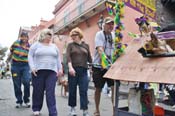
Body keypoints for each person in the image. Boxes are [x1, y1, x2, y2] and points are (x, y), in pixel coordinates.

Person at [28, 29, 63, 116]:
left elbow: (58, 58)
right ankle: (36, 108)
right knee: (38, 91)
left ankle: (53, 112)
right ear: (43, 34)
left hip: (52, 72)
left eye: (51, 34)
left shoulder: (54, 46)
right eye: (48, 34)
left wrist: (60, 69)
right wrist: (32, 67)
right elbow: (30, 56)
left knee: (50, 92)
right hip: (38, 71)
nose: (50, 36)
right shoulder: (36, 45)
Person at [66, 27, 92, 116]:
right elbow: (68, 57)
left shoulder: (86, 45)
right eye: (72, 35)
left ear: (79, 35)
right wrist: (70, 68)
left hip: (84, 70)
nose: (73, 37)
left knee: (83, 90)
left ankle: (85, 110)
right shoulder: (70, 45)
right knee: (72, 90)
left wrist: (92, 67)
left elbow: (89, 58)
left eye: (75, 35)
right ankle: (72, 109)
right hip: (73, 70)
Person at [92, 17, 115, 116]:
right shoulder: (99, 34)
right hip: (99, 66)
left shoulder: (114, 35)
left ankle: (115, 111)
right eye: (108, 24)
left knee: (114, 88)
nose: (110, 26)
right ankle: (97, 110)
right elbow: (100, 50)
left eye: (112, 24)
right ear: (103, 25)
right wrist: (105, 61)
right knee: (98, 88)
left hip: (110, 66)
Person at [6, 32, 31, 108]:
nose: (24, 38)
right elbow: (11, 52)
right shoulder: (16, 43)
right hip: (15, 66)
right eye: (22, 37)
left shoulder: (30, 46)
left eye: (25, 37)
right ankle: (19, 101)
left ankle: (26, 100)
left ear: (27, 38)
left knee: (27, 82)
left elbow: (32, 57)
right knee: (17, 84)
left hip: (25, 66)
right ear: (20, 37)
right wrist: (7, 61)